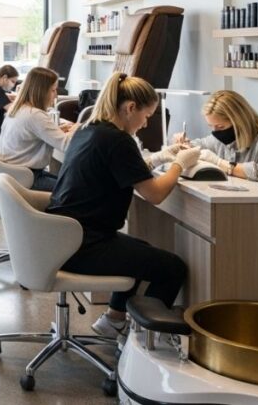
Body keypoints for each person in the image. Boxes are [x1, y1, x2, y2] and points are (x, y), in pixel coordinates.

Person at [47, 72, 199, 338]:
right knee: (171, 267)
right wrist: (179, 164)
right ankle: (141, 341)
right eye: (147, 115)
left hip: (63, 238)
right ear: (130, 108)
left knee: (139, 249)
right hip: (84, 246)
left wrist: (165, 156)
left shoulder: (88, 130)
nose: (145, 123)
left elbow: (125, 169)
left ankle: (114, 319)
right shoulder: (119, 141)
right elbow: (154, 194)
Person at [176, 90, 258, 189]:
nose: (215, 132)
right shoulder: (219, 139)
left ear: (238, 120)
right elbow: (199, 144)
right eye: (211, 126)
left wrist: (223, 164)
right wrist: (185, 144)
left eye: (220, 127)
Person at [0, 67, 76, 191]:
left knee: (67, 181)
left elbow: (35, 131)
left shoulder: (19, 109)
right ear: (41, 91)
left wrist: (55, 129)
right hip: (26, 178)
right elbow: (67, 146)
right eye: (53, 90)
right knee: (78, 190)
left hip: (11, 174)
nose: (56, 95)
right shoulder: (35, 115)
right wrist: (77, 130)